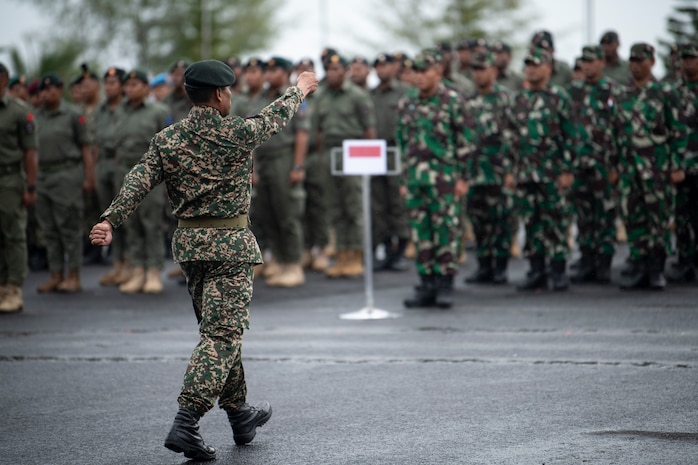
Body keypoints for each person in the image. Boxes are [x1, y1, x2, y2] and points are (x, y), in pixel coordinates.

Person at [89, 59, 318, 461]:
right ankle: (186, 422)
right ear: (218, 95)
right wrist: (298, 88)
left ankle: (239, 414)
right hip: (229, 246)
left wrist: (110, 218)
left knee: (218, 330)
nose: (231, 96)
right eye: (228, 91)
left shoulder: (168, 138)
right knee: (223, 335)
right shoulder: (236, 132)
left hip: (191, 249)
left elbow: (139, 178)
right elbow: (274, 117)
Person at [396, 49, 476, 308]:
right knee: (421, 234)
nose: (419, 77)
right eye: (415, 71)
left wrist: (463, 178)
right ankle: (426, 283)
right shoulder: (407, 103)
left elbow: (465, 143)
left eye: (424, 71)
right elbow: (402, 144)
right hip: (416, 181)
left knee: (446, 232)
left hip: (445, 180)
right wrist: (403, 181)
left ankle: (445, 284)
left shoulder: (453, 100)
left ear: (438, 72)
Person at [616, 43, 687, 290]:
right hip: (629, 168)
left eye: (641, 61)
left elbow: (677, 132)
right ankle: (638, 264)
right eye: (632, 60)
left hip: (656, 168)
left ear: (652, 62)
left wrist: (676, 165)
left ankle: (656, 268)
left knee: (658, 218)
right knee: (633, 217)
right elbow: (616, 133)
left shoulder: (664, 93)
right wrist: (615, 165)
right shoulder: (623, 94)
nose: (636, 65)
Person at [507, 48, 578, 291]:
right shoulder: (518, 99)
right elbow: (511, 137)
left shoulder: (559, 97)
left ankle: (558, 271)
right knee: (531, 222)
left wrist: (568, 169)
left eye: (536, 65)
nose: (532, 69)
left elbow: (571, 135)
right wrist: (510, 170)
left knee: (556, 221)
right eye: (528, 65)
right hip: (525, 173)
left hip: (552, 172)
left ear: (548, 68)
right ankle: (536, 269)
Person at [246, 56, 309, 287]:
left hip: (284, 158)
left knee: (288, 214)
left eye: (275, 71)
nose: (270, 75)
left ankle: (293, 264)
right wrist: (252, 168)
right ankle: (280, 262)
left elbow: (302, 134)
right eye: (268, 71)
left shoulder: (293, 97)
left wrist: (297, 166)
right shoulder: (260, 98)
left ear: (285, 73)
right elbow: (252, 133)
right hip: (264, 159)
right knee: (268, 213)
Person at [313, 52, 376, 278]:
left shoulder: (358, 96)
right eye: (329, 70)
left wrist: (369, 161)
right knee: (335, 207)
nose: (332, 74)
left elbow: (369, 129)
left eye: (336, 70)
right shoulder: (321, 96)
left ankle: (356, 256)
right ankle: (341, 255)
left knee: (354, 207)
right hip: (331, 151)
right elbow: (318, 132)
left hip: (353, 150)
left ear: (346, 71)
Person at [567, 46, 623, 284]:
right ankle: (587, 260)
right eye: (584, 62)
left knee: (605, 213)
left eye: (591, 61)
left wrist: (616, 165)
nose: (587, 66)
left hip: (604, 163)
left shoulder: (612, 91)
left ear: (602, 62)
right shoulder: (573, 92)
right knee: (584, 214)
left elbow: (621, 129)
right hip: (579, 162)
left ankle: (604, 264)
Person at [35, 72, 94, 293]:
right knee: (49, 229)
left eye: (50, 89)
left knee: (68, 226)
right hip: (43, 175)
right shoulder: (35, 116)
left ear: (60, 90)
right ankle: (56, 274)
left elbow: (86, 148)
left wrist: (89, 177)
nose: (45, 94)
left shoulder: (72, 114)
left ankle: (74, 275)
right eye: (42, 90)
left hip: (66, 173)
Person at [113, 69, 168, 294]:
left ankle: (154, 271)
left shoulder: (159, 111)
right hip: (125, 169)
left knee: (151, 223)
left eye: (136, 85)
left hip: (151, 171)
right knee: (131, 223)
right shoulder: (120, 111)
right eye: (127, 85)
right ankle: (137, 269)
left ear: (146, 88)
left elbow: (167, 144)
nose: (130, 89)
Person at [463, 51, 515, 285]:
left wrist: (511, 170)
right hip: (474, 172)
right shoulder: (468, 101)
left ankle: (501, 266)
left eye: (482, 69)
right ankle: (484, 266)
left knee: (501, 220)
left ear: (493, 71)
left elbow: (514, 137)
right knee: (478, 221)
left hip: (498, 171)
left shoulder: (506, 99)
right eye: (475, 70)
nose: (478, 74)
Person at [0, 62, 38, 313]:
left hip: (9, 180)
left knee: (13, 233)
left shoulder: (18, 111)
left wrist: (30, 186)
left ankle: (13, 287)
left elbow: (30, 152)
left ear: (3, 80)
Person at [370, 53, 410, 272]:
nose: (381, 70)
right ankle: (386, 249)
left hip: (396, 150)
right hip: (375, 151)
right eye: (377, 66)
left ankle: (401, 250)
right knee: (378, 203)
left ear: (394, 68)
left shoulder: (404, 92)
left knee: (397, 201)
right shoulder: (371, 95)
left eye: (385, 66)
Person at [94, 66, 129, 286]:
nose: (109, 87)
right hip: (104, 162)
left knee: (125, 215)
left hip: (123, 163)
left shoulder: (127, 109)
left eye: (113, 83)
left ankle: (129, 264)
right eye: (106, 83)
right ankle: (117, 264)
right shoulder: (101, 110)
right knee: (108, 216)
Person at [669, 43, 698, 283]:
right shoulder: (672, 92)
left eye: (693, 58)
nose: (688, 63)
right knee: (682, 215)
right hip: (681, 165)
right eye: (685, 59)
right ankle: (684, 259)